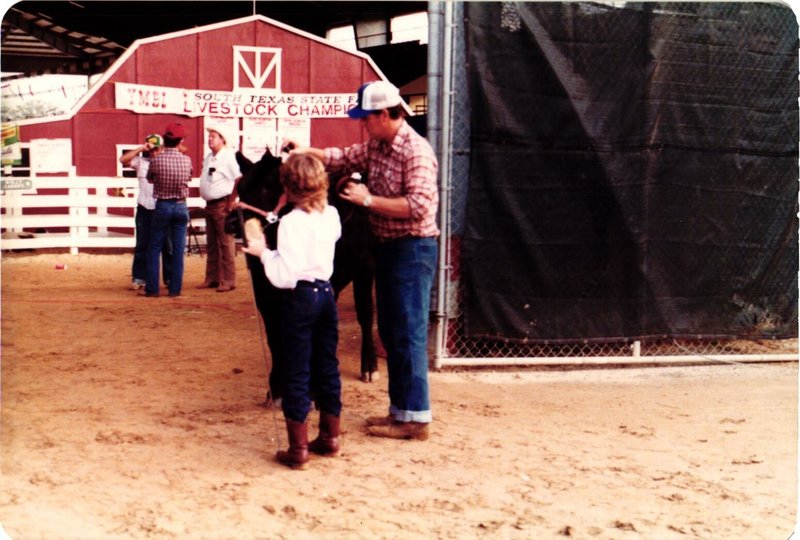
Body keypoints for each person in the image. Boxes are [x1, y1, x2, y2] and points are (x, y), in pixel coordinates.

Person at [284, 80, 439, 441]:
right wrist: (306, 150)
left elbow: (419, 207)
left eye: (366, 118)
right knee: (392, 331)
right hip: (389, 247)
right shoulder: (378, 146)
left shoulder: (415, 151)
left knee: (408, 334)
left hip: (412, 248)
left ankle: (415, 419)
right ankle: (403, 412)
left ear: (385, 114)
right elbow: (342, 157)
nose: (362, 125)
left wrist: (368, 200)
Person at [242, 154, 343, 470]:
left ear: (288, 188)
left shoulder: (290, 223)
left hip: (300, 297)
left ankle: (298, 449)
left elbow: (284, 275)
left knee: (296, 369)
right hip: (326, 293)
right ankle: (330, 437)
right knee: (327, 364)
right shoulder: (333, 215)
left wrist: (263, 253)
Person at [142, 123, 192, 297]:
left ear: (165, 140)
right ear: (180, 140)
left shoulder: (157, 160)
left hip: (163, 204)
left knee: (154, 247)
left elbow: (150, 179)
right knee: (178, 249)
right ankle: (174, 289)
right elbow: (189, 177)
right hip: (180, 204)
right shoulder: (187, 160)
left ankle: (152, 289)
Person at [119, 134, 172, 290]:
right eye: (151, 150)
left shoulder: (167, 162)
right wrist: (142, 148)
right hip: (144, 207)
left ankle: (169, 278)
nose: (154, 153)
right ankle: (139, 277)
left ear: (162, 148)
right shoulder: (142, 162)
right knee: (142, 244)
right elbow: (123, 160)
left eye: (156, 149)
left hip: (162, 206)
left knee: (167, 245)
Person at [198, 126, 241, 293]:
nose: (210, 139)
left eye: (214, 136)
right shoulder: (209, 157)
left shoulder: (228, 158)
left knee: (225, 243)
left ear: (223, 140)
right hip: (210, 205)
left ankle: (228, 280)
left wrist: (231, 201)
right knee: (211, 244)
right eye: (209, 136)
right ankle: (212, 278)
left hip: (222, 204)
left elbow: (238, 179)